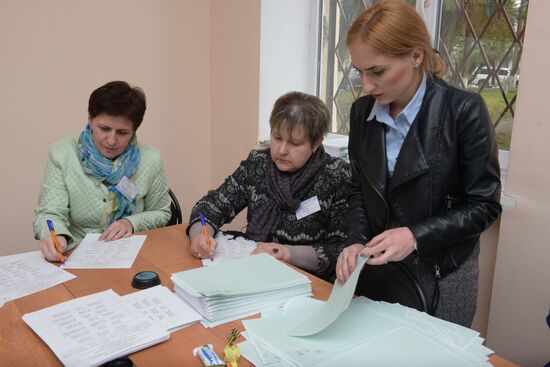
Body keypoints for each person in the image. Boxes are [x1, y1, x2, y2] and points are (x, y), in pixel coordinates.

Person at [335, 1, 502, 327]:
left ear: (415, 55)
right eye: (360, 71)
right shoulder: (362, 114)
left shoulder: (463, 110)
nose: (366, 86)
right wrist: (354, 239)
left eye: (377, 71)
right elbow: (358, 188)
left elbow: (484, 206)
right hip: (380, 270)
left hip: (442, 274)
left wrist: (415, 235)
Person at [187, 91, 350, 280]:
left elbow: (341, 250)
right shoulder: (257, 163)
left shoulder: (337, 175)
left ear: (316, 143)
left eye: (295, 143)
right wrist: (199, 235)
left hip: (306, 281)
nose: (282, 150)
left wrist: (288, 253)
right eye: (277, 138)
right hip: (253, 271)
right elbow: (212, 205)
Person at [34, 81, 171, 261]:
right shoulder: (63, 154)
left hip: (134, 255)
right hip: (76, 254)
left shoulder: (151, 159)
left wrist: (131, 222)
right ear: (90, 120)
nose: (111, 140)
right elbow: (49, 213)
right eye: (104, 129)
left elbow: (162, 212)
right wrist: (58, 236)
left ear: (134, 130)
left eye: (122, 132)